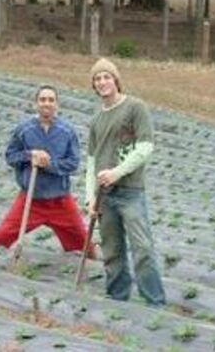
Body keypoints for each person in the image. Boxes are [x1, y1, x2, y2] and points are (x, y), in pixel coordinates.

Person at [0, 85, 96, 266]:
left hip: (60, 200)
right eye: (42, 100)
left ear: (57, 105)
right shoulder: (24, 129)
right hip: (30, 199)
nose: (46, 104)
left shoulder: (67, 131)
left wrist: (49, 164)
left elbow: (73, 163)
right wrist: (29, 155)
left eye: (50, 100)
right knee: (1, 234)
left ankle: (98, 272)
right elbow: (10, 156)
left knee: (84, 239)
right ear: (36, 104)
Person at [85, 58, 166, 307]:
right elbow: (91, 162)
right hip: (104, 196)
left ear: (116, 80)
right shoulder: (97, 120)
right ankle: (117, 300)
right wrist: (90, 197)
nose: (102, 82)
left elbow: (145, 147)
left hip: (130, 192)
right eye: (97, 79)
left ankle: (154, 302)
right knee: (112, 250)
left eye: (106, 77)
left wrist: (117, 172)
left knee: (142, 248)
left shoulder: (135, 108)